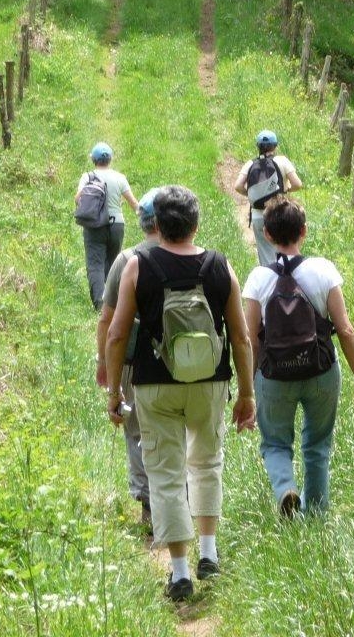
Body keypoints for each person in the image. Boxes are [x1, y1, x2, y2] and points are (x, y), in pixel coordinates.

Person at [105, 185, 255, 603]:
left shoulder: (138, 265)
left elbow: (117, 334)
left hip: (155, 384)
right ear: (196, 224)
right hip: (210, 382)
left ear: (158, 224)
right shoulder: (219, 266)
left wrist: (115, 391)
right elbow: (241, 337)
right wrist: (246, 393)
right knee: (207, 463)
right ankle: (209, 551)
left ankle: (180, 572)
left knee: (166, 474)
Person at [242, 195, 354, 518]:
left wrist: (247, 387)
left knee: (275, 444)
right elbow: (345, 331)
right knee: (317, 446)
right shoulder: (324, 270)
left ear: (268, 235)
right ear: (304, 231)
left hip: (274, 377)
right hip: (321, 372)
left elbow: (250, 341)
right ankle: (314, 515)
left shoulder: (259, 279)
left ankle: (286, 488)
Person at [96, 188, 161, 533]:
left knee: (136, 431)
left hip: (134, 361)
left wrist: (105, 362)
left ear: (142, 222)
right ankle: (175, 497)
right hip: (177, 362)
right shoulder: (183, 255)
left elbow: (107, 321)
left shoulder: (126, 260)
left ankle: (149, 503)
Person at [75, 142, 138, 310]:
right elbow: (134, 204)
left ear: (93, 160)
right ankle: (113, 303)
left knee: (95, 264)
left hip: (95, 225)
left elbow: (78, 199)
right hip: (116, 225)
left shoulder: (88, 177)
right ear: (110, 159)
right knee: (112, 263)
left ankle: (100, 304)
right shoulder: (120, 178)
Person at [233, 130, 302, 266]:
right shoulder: (282, 161)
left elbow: (238, 186)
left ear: (258, 146)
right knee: (285, 251)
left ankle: (270, 283)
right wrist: (285, 190)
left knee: (266, 258)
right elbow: (297, 184)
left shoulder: (250, 164)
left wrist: (253, 195)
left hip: (259, 216)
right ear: (275, 146)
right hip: (281, 214)